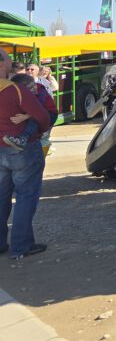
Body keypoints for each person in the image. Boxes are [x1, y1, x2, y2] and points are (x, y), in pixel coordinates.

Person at [0, 49, 51, 259]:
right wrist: (38, 130)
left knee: (1, 197)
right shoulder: (15, 90)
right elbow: (43, 116)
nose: (11, 64)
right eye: (8, 60)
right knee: (25, 197)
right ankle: (21, 246)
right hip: (22, 149)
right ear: (1, 64)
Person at [3, 74, 57, 154]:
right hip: (36, 113)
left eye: (34, 85)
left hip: (50, 114)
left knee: (34, 122)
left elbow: (39, 108)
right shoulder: (18, 93)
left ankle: (22, 138)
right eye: (30, 88)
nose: (35, 88)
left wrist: (27, 116)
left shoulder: (40, 90)